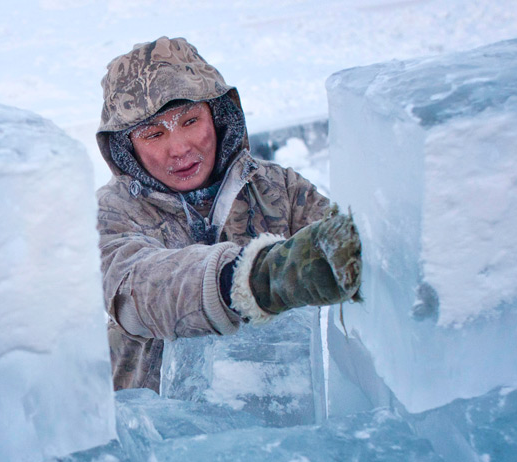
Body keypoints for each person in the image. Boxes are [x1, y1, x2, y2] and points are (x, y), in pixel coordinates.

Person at [96, 36, 361, 392]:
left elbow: (353, 246)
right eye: (154, 134)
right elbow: (135, 294)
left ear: (218, 118)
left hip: (279, 423)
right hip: (155, 432)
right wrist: (255, 277)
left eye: (190, 121)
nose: (179, 148)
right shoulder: (109, 213)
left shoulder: (279, 188)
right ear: (127, 149)